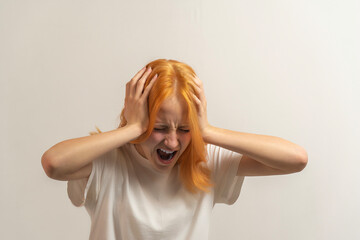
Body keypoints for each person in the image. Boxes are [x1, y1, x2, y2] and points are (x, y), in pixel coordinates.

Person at [41, 59, 308, 240]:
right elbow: (54, 163)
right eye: (159, 127)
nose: (172, 142)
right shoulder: (107, 160)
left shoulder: (205, 159)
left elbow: (295, 159)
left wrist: (207, 132)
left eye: (183, 129)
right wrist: (132, 129)